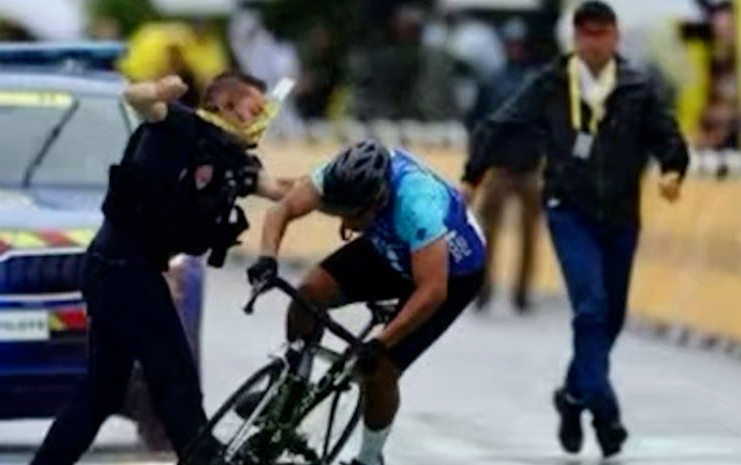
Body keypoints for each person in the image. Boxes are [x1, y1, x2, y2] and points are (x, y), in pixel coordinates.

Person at [29, 73, 295, 465]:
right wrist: (159, 91)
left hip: (124, 273)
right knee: (175, 379)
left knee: (102, 391)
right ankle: (203, 459)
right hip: (121, 270)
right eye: (253, 109)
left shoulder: (232, 160)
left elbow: (281, 190)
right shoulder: (178, 126)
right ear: (224, 107)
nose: (261, 119)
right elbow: (136, 97)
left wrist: (331, 185)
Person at [461, 1, 689, 457]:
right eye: (586, 33)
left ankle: (572, 396)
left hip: (622, 215)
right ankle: (605, 414)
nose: (594, 43)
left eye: (602, 33)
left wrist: (672, 169)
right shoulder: (549, 83)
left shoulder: (637, 87)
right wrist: (474, 174)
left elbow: (668, 136)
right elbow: (499, 123)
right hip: (570, 210)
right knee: (591, 310)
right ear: (575, 37)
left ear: (616, 37)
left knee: (611, 320)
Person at [247, 140, 487, 465]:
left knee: (380, 371)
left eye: (352, 216)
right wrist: (267, 258)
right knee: (309, 294)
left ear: (378, 201)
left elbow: (432, 291)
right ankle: (288, 394)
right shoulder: (338, 176)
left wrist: (381, 343)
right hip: (391, 244)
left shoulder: (418, 204)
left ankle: (370, 458)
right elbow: (282, 210)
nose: (345, 225)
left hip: (452, 273)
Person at [464, 17, 542, 312]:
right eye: (511, 43)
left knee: (529, 234)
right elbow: (476, 122)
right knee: (487, 233)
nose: (515, 49)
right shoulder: (492, 81)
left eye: (519, 44)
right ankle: (483, 289)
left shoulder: (536, 82)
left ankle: (522, 291)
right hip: (499, 168)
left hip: (529, 168)